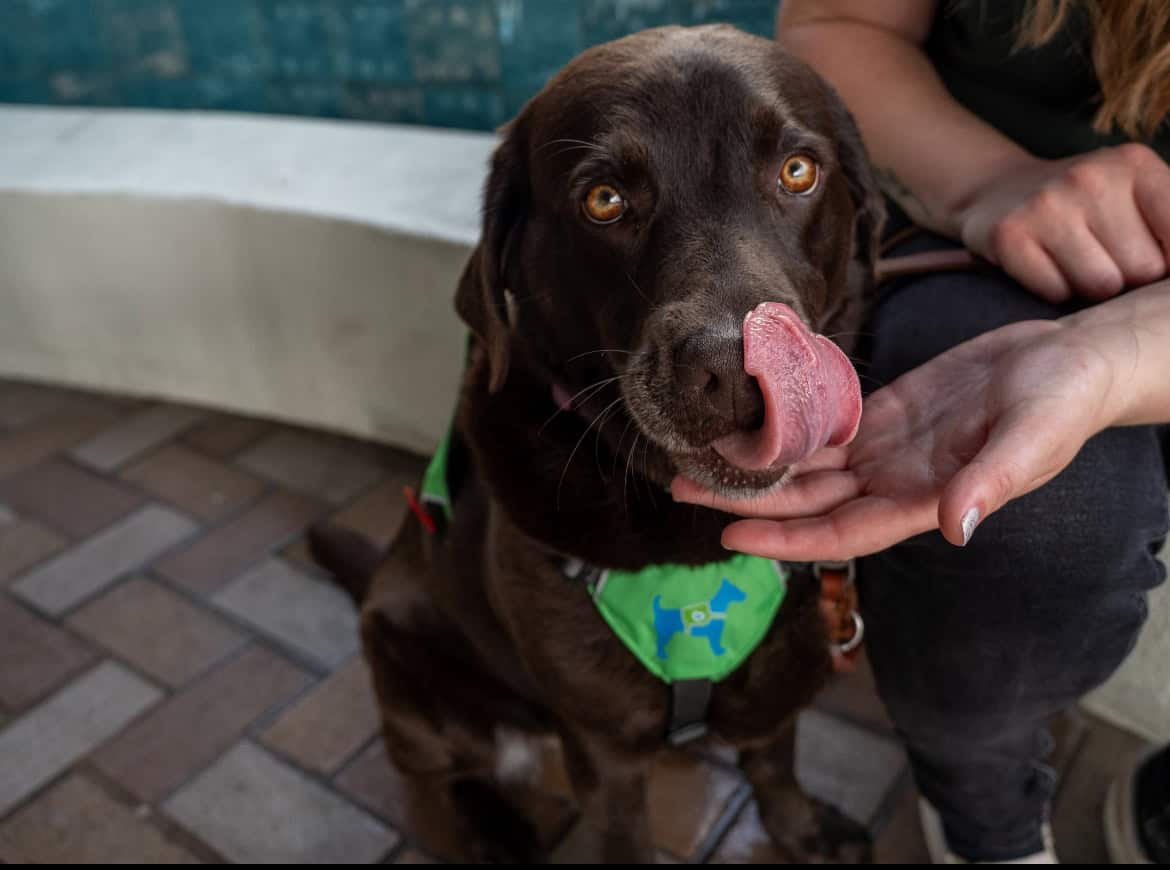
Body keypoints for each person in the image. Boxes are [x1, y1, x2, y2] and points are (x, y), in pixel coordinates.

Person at [673, 1, 1170, 863]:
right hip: (969, 230)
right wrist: (989, 180)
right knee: (1037, 518)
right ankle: (981, 813)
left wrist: (1129, 351)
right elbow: (836, 24)